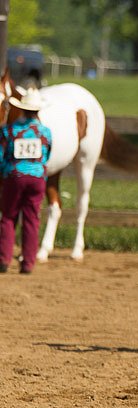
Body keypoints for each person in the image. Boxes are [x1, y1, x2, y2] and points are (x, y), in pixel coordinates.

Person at [0, 88, 52, 274]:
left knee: (8, 217)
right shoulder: (45, 132)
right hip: (37, 179)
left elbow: (1, 156)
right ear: (37, 111)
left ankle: (4, 259)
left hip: (14, 177)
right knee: (32, 219)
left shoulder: (10, 131)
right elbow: (47, 155)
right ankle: (28, 263)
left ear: (22, 109)